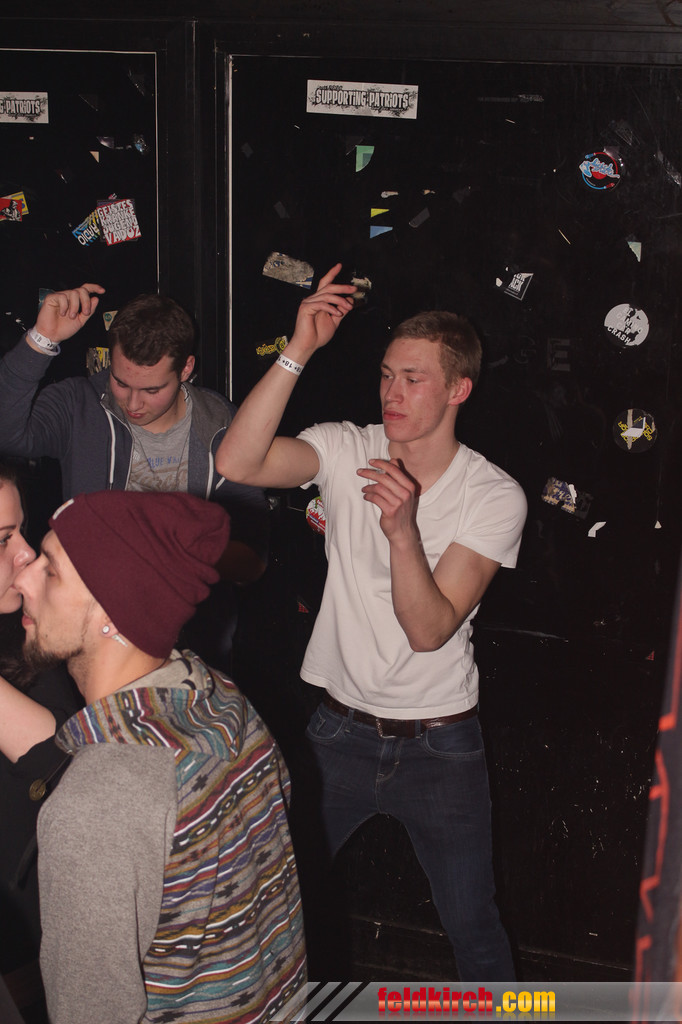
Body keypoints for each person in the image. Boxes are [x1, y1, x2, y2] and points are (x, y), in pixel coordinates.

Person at [215, 264, 528, 981]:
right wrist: (299, 349)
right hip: (338, 732)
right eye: (387, 375)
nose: (392, 392)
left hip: (440, 742)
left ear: (458, 390)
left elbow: (429, 630)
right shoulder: (347, 447)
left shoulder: (492, 494)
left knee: (472, 924)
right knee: (270, 901)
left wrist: (403, 532)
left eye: (413, 379)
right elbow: (236, 459)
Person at [14, 490, 306, 1024]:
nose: (23, 579)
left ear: (112, 614)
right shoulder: (225, 704)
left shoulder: (95, 806)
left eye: (50, 571)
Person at [0, 283, 269, 592]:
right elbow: (7, 435)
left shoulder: (222, 424)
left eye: (152, 390)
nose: (133, 403)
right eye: (121, 382)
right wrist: (41, 339)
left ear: (185, 369)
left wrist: (172, 550)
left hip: (189, 620)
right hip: (86, 611)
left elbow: (252, 560)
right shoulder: (80, 405)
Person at [0, 462, 80, 1023]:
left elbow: (67, 762)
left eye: (19, 531)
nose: (26, 553)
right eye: (3, 539)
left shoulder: (23, 633)